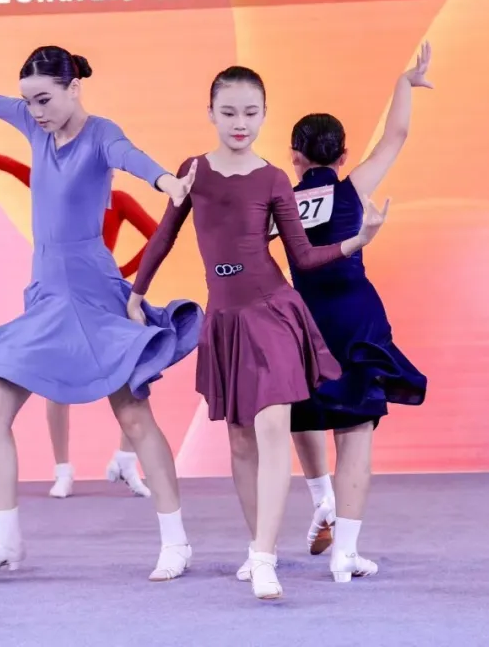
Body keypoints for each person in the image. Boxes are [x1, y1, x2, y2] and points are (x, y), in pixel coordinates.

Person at [0, 46, 202, 583]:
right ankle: (6, 542)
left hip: (92, 293)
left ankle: (176, 542)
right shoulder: (32, 125)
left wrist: (167, 182)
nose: (35, 111)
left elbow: (130, 156)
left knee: (134, 417)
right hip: (45, 297)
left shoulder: (101, 134)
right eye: (28, 102)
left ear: (73, 88)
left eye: (44, 99)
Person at [128, 66, 388, 600]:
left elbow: (303, 257)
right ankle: (257, 547)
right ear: (210, 113)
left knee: (272, 428)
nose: (240, 122)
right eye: (228, 112)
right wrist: (136, 292)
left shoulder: (272, 179)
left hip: (272, 312)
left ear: (265, 115)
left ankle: (265, 559)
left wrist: (356, 241)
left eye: (250, 112)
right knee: (240, 440)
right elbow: (163, 237)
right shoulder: (193, 171)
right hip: (224, 321)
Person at [285, 42, 433, 583]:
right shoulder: (354, 188)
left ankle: (321, 499)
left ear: (294, 157)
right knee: (355, 432)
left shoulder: (280, 201)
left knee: (301, 412)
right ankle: (345, 553)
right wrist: (404, 82)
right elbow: (397, 135)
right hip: (355, 320)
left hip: (304, 323)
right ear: (343, 156)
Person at [0, 142, 154, 498]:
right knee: (56, 377)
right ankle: (63, 468)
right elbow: (15, 168)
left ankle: (126, 458)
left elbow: (157, 235)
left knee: (132, 374)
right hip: (59, 300)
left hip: (102, 299)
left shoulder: (120, 201)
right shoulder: (55, 194)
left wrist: (121, 272)